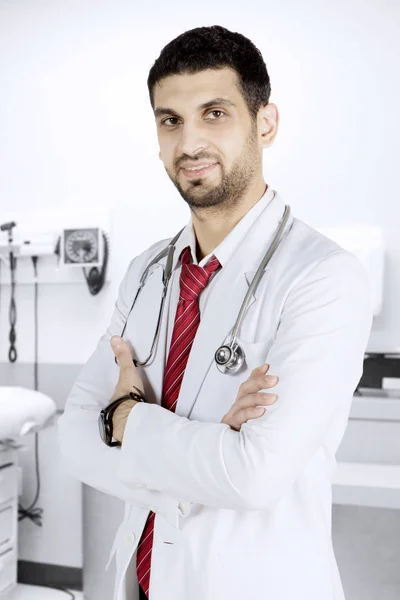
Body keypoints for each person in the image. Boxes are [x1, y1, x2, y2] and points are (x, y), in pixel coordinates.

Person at [58, 25, 373, 600]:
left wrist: (128, 419)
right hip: (147, 582)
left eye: (215, 113)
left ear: (265, 124)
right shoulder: (147, 272)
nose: (189, 143)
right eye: (170, 120)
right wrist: (205, 449)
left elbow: (254, 476)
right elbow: (74, 438)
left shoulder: (324, 278)